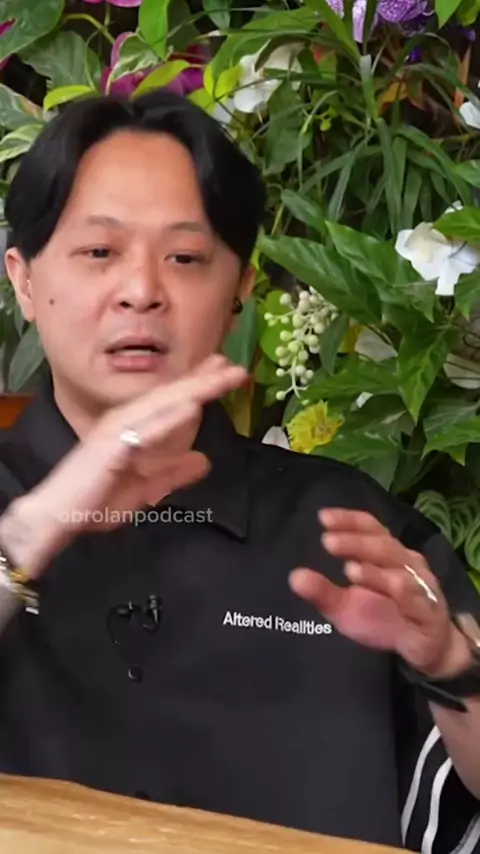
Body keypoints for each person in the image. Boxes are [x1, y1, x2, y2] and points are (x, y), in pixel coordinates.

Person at [0, 90, 479, 854]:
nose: (141, 291)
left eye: (185, 258)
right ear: (24, 279)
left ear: (239, 294)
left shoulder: (353, 534)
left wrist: (453, 668)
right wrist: (24, 541)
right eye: (99, 252)